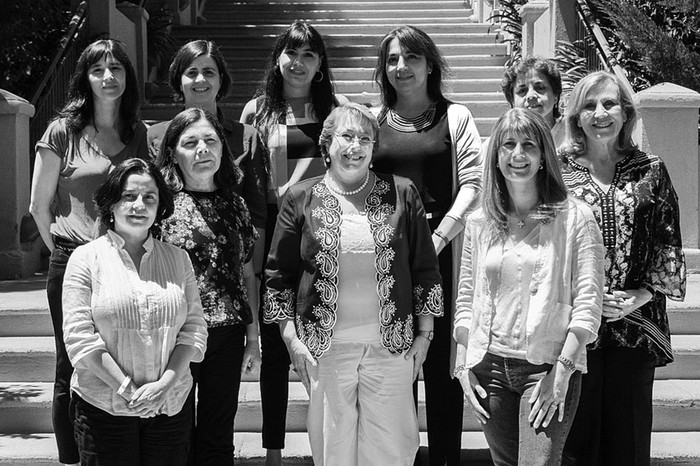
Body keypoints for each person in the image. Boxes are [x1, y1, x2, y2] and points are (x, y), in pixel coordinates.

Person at [263, 102, 444, 466]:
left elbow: (425, 269)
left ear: (374, 148)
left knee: (393, 451)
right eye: (346, 136)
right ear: (327, 145)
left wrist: (425, 335)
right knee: (334, 452)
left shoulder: (403, 193)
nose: (355, 146)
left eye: (365, 138)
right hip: (326, 349)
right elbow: (277, 276)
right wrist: (291, 339)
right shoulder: (300, 197)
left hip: (392, 349)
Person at [454, 108, 604, 465]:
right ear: (495, 157)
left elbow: (588, 304)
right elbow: (465, 300)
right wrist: (462, 365)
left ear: (543, 157)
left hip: (546, 367)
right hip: (489, 370)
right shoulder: (480, 221)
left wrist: (562, 371)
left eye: (528, 145)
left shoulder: (575, 217)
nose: (517, 155)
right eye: (508, 145)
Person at [28, 38, 148, 466]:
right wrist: (67, 253)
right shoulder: (62, 131)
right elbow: (38, 208)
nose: (108, 77)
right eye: (98, 69)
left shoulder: (138, 133)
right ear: (86, 77)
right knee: (72, 362)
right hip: (72, 259)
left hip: (123, 262)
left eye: (117, 68)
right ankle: (71, 459)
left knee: (117, 358)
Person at [560, 71, 687, 466]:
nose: (600, 113)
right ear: (576, 116)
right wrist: (583, 302)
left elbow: (668, 240)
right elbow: (545, 246)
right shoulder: (557, 172)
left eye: (610, 103)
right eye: (590, 105)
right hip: (572, 326)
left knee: (627, 445)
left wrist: (640, 295)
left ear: (627, 111)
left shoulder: (651, 169)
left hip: (636, 326)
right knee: (576, 444)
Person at [371, 24, 482, 465]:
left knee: (440, 365)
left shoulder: (455, 117)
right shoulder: (372, 122)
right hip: (387, 258)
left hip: (442, 256)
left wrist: (436, 239)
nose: (401, 67)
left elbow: (473, 184)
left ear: (430, 64)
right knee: (396, 366)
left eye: (412, 58)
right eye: (393, 59)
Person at [239, 21, 347, 465]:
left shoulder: (337, 109)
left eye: (309, 55)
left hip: (326, 240)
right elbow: (250, 185)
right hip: (275, 241)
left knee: (327, 346)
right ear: (278, 58)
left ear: (320, 65)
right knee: (276, 354)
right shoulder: (257, 111)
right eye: (291, 53)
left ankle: (334, 444)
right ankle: (274, 452)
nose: (298, 63)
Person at [62, 158, 208, 465]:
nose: (139, 205)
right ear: (111, 203)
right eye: (129, 196)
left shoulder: (179, 259)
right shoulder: (85, 259)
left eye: (149, 198)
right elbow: (80, 339)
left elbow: (193, 330)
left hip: (170, 406)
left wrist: (163, 387)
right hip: (104, 407)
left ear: (159, 208)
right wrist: (130, 391)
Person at [154, 107, 261, 465]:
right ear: (173, 153)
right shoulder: (158, 207)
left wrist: (253, 339)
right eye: (190, 142)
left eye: (210, 140)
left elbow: (246, 275)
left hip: (226, 337)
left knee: (218, 436)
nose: (202, 149)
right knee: (173, 432)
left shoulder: (236, 204)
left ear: (222, 150)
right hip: (174, 335)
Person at [147, 39, 267, 268]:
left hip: (232, 267)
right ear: (178, 81)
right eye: (191, 72)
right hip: (170, 265)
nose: (200, 79)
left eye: (209, 72)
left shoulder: (246, 137)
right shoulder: (156, 136)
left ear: (221, 80)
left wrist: (256, 273)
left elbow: (257, 214)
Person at [501, 57, 563, 130]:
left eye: (540, 88)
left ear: (555, 95)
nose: (531, 97)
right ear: (512, 101)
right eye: (522, 90)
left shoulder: (571, 137)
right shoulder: (503, 139)